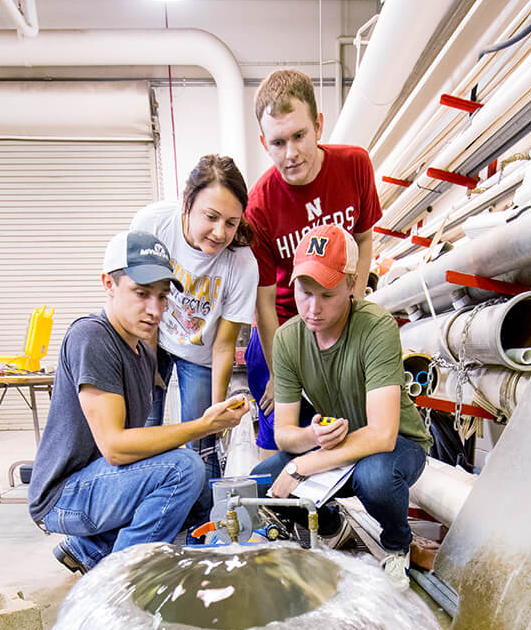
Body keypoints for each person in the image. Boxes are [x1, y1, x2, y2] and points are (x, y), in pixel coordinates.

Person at [28, 229, 249, 574]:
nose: (155, 309)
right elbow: (116, 447)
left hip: (97, 482)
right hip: (65, 496)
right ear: (108, 284)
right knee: (183, 470)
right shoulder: (92, 337)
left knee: (186, 498)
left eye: (162, 297)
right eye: (141, 293)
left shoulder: (141, 348)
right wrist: (202, 426)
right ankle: (121, 578)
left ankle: (88, 549)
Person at [251, 224, 432, 586]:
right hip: (336, 446)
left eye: (327, 295)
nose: (313, 308)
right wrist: (312, 435)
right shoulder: (288, 339)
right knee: (259, 484)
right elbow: (285, 434)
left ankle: (398, 546)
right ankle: (330, 522)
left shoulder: (376, 326)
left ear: (351, 285)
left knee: (376, 478)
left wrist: (304, 464)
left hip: (397, 446)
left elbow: (382, 435)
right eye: (304, 293)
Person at [245, 69, 383, 456]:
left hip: (338, 313)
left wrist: (352, 307)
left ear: (318, 125)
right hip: (284, 328)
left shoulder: (355, 165)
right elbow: (264, 299)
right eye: (277, 142)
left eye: (299, 136)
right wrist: (279, 370)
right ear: (264, 143)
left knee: (345, 430)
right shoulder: (259, 205)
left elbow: (362, 236)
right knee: (284, 438)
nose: (291, 153)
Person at [130, 155, 258, 519]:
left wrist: (215, 414)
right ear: (187, 200)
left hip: (201, 351)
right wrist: (150, 364)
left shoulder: (242, 264)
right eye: (211, 217)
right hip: (152, 334)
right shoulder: (152, 224)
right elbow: (140, 303)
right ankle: (146, 514)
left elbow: (223, 344)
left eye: (231, 223)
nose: (220, 232)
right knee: (146, 427)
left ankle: (205, 520)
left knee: (201, 438)